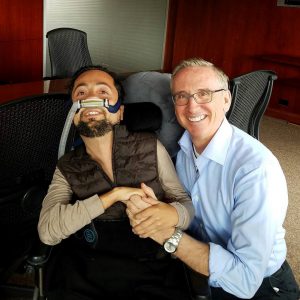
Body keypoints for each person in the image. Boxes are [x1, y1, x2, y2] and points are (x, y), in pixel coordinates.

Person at [126, 58, 300, 299]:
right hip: (203, 268)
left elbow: (244, 280)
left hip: (262, 285)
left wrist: (166, 233)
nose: (192, 107)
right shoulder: (184, 149)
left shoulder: (256, 170)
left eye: (204, 94)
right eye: (182, 96)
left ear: (226, 100)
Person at [37, 65, 194, 300]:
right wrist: (114, 195)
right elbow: (48, 233)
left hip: (150, 267)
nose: (91, 99)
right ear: (73, 113)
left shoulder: (150, 146)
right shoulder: (66, 167)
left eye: (102, 93)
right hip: (89, 268)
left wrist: (173, 215)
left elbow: (185, 203)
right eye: (81, 94)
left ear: (119, 112)